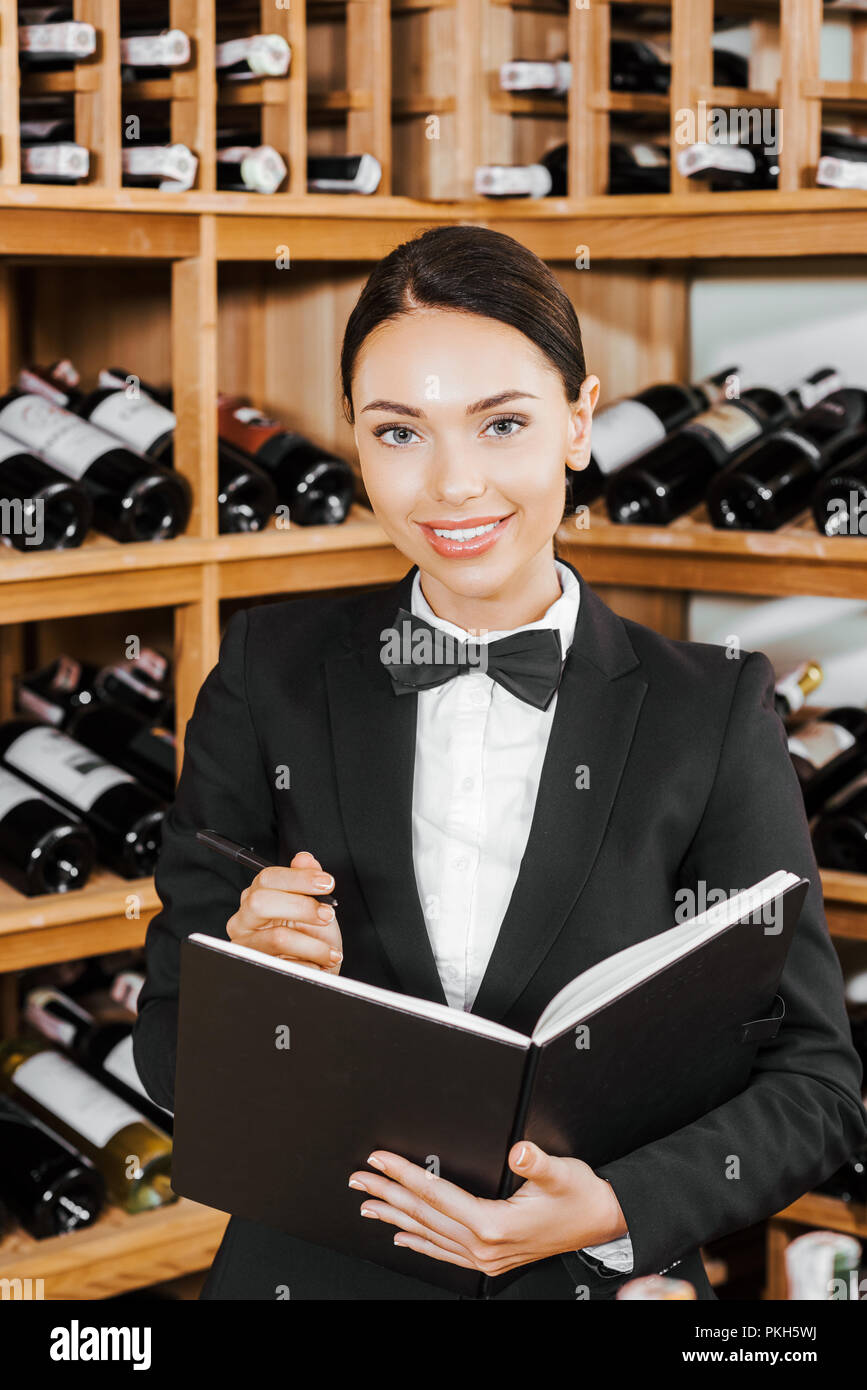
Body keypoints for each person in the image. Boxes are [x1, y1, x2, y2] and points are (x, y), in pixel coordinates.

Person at [133, 225, 867, 1301]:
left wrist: (620, 1209)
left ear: (579, 421)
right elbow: (170, 1046)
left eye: (503, 423)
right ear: (352, 438)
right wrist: (247, 988)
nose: (453, 485)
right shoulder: (265, 675)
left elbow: (816, 1084)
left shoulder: (711, 710)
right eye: (399, 432)